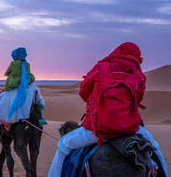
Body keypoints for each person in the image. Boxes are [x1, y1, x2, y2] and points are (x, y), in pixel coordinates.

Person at [48, 42, 168, 177]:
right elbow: (138, 99)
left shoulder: (100, 67)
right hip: (129, 128)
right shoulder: (138, 75)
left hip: (96, 130)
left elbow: (84, 92)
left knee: (63, 145)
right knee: (154, 147)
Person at [0, 47, 44, 126]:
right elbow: (27, 74)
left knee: (1, 100)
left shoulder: (13, 64)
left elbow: (7, 73)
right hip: (25, 86)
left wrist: (10, 73)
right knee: (36, 96)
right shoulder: (27, 64)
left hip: (14, 87)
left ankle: (1, 120)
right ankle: (41, 117)